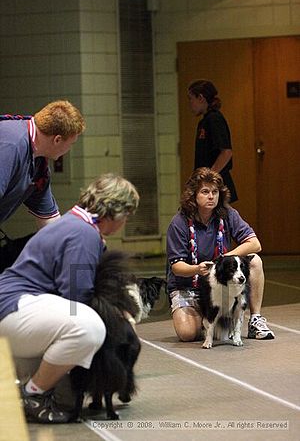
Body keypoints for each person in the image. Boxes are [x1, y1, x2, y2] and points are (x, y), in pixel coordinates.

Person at [0, 173, 139, 423]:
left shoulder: (72, 223)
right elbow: (76, 296)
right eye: (127, 216)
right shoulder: (83, 234)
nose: (125, 222)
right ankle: (33, 394)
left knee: (67, 375)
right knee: (88, 327)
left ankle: (30, 388)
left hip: (15, 310)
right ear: (116, 213)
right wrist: (119, 316)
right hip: (16, 310)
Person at [166, 167, 274, 343]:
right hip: (189, 285)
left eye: (215, 192)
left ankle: (255, 319)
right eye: (205, 191)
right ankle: (210, 319)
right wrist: (197, 269)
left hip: (220, 282)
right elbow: (177, 268)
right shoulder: (179, 223)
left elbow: (255, 244)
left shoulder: (228, 214)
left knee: (255, 261)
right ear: (193, 195)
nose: (211, 196)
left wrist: (224, 259)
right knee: (187, 333)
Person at [0, 100, 85, 228]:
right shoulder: (11, 144)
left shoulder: (38, 163)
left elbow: (50, 222)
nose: (69, 149)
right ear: (57, 140)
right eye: (71, 144)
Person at [188, 79, 238, 203]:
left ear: (201, 98)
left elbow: (226, 152)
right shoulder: (204, 122)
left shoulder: (214, 119)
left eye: (191, 98)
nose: (190, 103)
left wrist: (209, 177)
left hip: (216, 185)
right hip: (207, 185)